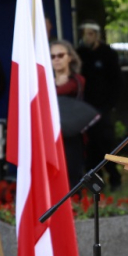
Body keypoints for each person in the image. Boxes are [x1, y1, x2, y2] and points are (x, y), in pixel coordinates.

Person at [76, 20, 123, 191]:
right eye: (84, 34)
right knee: (90, 145)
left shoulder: (108, 53)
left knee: (106, 143)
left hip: (104, 107)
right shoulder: (80, 53)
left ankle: (114, 177)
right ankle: (96, 182)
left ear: (97, 35)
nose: (87, 37)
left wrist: (111, 104)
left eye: (90, 33)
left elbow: (116, 81)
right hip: (86, 107)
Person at [51, 39, 89, 187]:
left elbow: (64, 91)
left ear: (70, 57)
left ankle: (75, 207)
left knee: (73, 175)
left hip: (72, 135)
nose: (56, 59)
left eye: (60, 55)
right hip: (51, 135)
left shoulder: (77, 81)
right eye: (52, 56)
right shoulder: (44, 82)